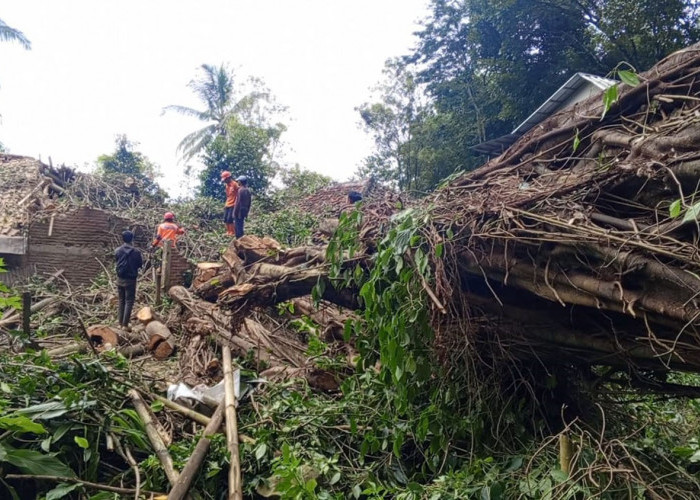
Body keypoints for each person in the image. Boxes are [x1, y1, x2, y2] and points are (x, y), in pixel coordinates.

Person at [115, 230, 143, 330]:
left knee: (121, 301)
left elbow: (117, 261)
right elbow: (140, 265)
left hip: (120, 279)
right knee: (129, 301)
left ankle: (120, 323)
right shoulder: (136, 252)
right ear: (132, 239)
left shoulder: (118, 250)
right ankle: (125, 325)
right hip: (131, 280)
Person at [221, 170, 239, 235]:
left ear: (229, 178)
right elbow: (228, 195)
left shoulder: (234, 184)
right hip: (227, 204)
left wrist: (237, 203)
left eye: (225, 179)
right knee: (225, 219)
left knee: (230, 219)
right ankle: (228, 231)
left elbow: (238, 193)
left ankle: (232, 232)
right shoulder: (226, 186)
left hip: (233, 204)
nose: (225, 181)